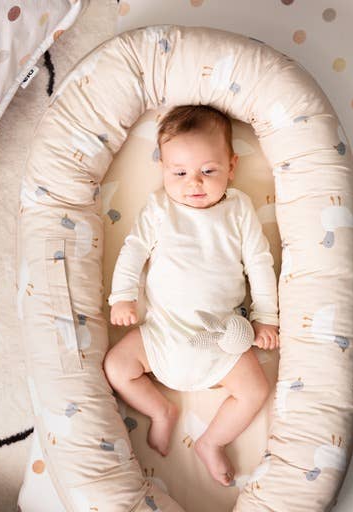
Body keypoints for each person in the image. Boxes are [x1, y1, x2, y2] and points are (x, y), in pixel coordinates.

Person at [103, 104, 279, 487]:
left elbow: (260, 263)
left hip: (221, 339)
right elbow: (133, 250)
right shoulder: (160, 208)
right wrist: (122, 297)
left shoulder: (238, 209)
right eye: (179, 173)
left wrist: (266, 318)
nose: (194, 183)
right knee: (117, 367)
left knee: (255, 390)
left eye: (208, 171)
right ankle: (160, 410)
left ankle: (212, 442)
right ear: (163, 169)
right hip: (162, 334)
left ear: (231, 166)